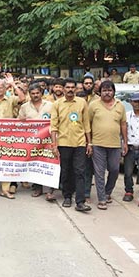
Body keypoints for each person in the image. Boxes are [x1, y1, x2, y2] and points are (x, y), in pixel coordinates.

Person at [50, 78, 92, 212]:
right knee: (66, 171)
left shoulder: (82, 103)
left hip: (79, 143)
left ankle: (80, 202)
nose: (69, 90)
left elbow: (86, 124)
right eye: (67, 87)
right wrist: (54, 145)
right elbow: (53, 126)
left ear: (76, 89)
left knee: (80, 171)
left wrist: (89, 143)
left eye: (72, 87)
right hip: (63, 143)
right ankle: (67, 196)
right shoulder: (57, 104)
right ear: (62, 89)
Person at [0, 75, 26, 199]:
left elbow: (23, 98)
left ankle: (5, 189)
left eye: (1, 87)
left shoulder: (11, 99)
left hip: (8, 136)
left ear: (5, 88)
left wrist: (13, 84)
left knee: (7, 161)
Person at [88, 81, 128, 210]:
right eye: (104, 90)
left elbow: (123, 125)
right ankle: (102, 199)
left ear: (113, 92)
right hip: (97, 144)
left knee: (115, 170)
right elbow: (87, 124)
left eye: (109, 90)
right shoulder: (93, 105)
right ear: (100, 92)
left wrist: (125, 142)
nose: (107, 93)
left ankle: (107, 192)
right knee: (99, 173)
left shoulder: (120, 106)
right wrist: (89, 142)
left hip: (115, 145)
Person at [18, 82, 55, 200]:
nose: (35, 95)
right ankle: (38, 188)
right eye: (33, 93)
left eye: (37, 93)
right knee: (36, 164)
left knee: (49, 163)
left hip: (48, 140)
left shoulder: (50, 105)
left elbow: (56, 121)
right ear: (29, 94)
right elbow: (18, 124)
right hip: (32, 141)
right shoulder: (24, 107)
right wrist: (22, 120)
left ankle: (50, 190)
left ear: (42, 93)